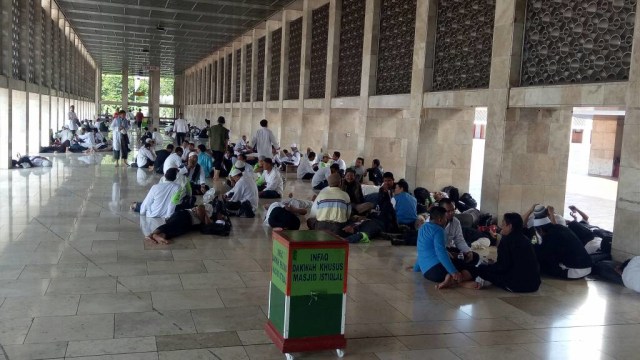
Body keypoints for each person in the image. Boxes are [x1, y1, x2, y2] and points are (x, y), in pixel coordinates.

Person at [463, 213, 541, 292]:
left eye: (503, 224)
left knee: (481, 268)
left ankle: (461, 282)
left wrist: (488, 267)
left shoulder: (507, 240)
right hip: (534, 285)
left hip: (517, 285)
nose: (501, 226)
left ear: (510, 226)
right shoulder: (525, 239)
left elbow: (502, 267)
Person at [413, 206, 475, 289]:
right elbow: (441, 253)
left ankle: (449, 279)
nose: (446, 220)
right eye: (445, 218)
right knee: (473, 269)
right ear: (440, 220)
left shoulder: (422, 227)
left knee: (457, 261)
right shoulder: (438, 230)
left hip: (427, 273)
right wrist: (453, 272)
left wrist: (416, 268)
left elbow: (421, 250)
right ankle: (455, 282)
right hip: (438, 271)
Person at [533, 215, 592, 279]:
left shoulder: (550, 236)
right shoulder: (561, 228)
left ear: (541, 230)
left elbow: (543, 254)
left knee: (545, 266)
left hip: (575, 271)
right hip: (588, 267)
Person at [147, 203, 216, 244]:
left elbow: (208, 225)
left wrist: (205, 217)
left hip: (188, 223)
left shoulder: (210, 216)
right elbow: (200, 209)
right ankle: (153, 234)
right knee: (172, 225)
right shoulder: (209, 206)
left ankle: (160, 236)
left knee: (176, 231)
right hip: (185, 215)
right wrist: (203, 216)